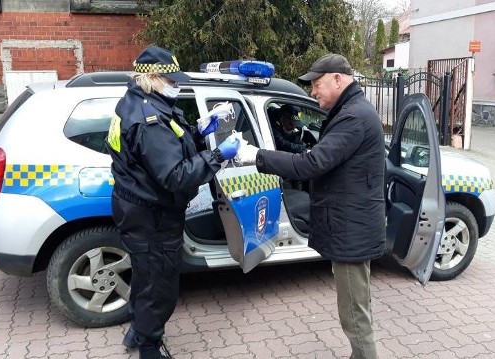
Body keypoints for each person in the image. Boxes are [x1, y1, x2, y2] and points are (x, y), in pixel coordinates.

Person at [236, 53, 386, 358]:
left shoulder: (353, 116)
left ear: (337, 79)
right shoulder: (351, 111)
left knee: (354, 314)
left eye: (316, 84)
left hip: (350, 231)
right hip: (352, 226)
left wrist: (257, 156)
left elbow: (313, 163)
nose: (312, 91)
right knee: (357, 308)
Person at [106, 45, 239, 359]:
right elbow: (175, 175)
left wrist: (199, 130)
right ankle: (150, 347)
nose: (176, 86)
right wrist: (219, 155)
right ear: (153, 77)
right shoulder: (148, 119)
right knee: (159, 286)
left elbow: (171, 142)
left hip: (138, 208)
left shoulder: (138, 103)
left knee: (144, 276)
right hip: (153, 215)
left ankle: (138, 331)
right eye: (173, 81)